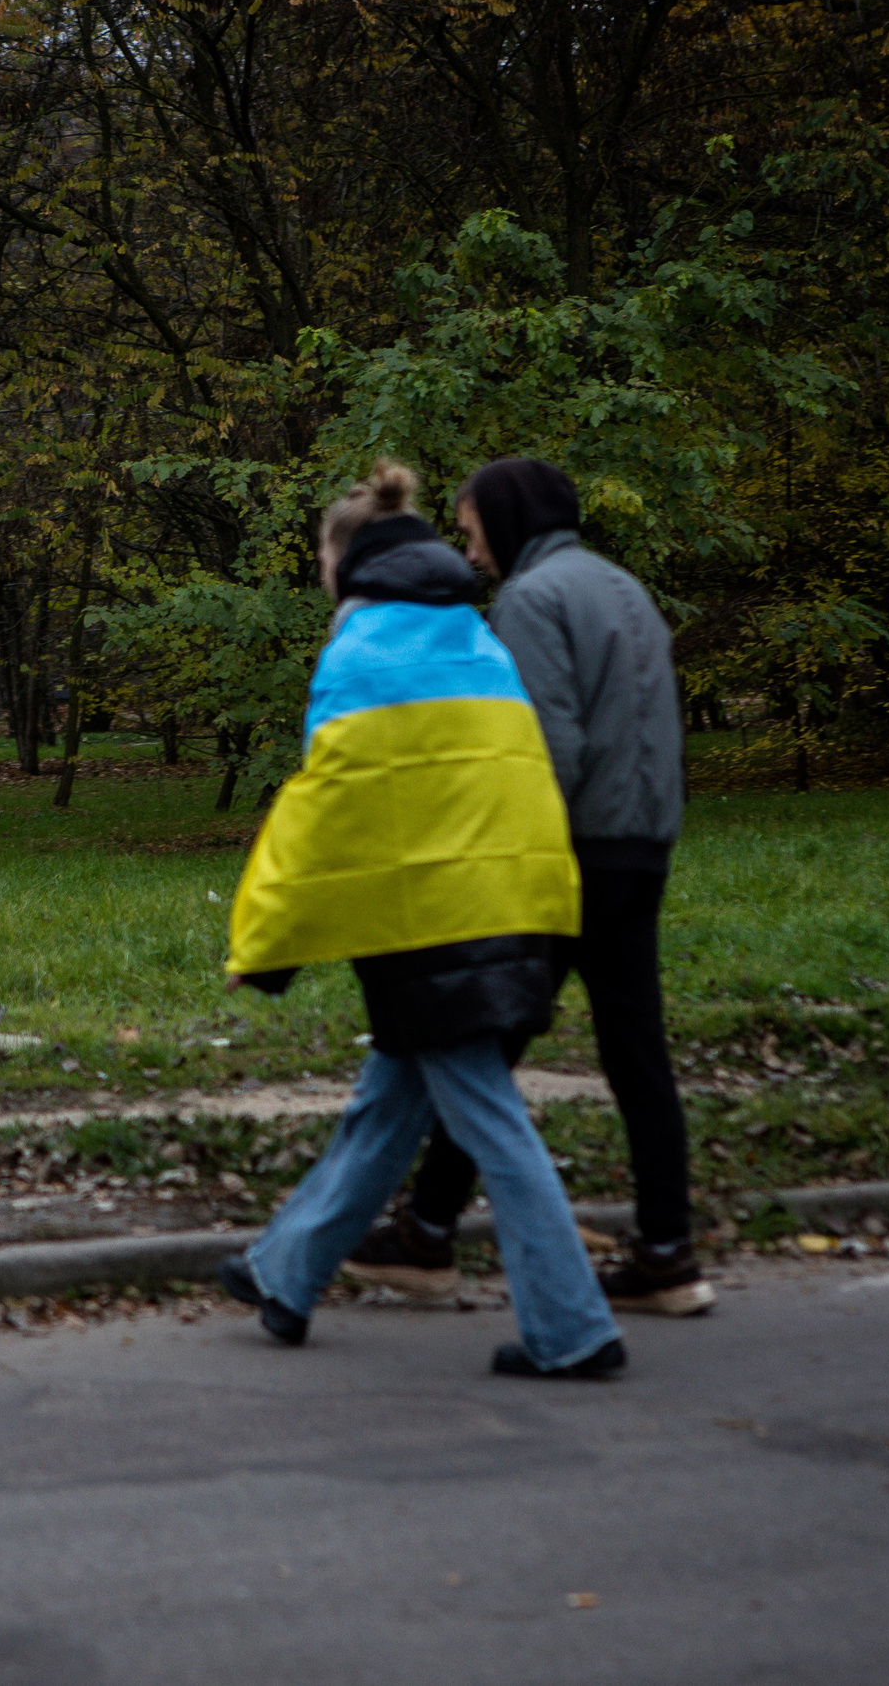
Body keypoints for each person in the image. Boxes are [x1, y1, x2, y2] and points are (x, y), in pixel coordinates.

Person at [219, 458, 625, 1379]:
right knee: (388, 1102)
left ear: (346, 562)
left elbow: (323, 811)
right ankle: (285, 1275)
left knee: (491, 1120)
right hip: (519, 906)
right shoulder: (474, 637)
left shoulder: (362, 651)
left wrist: (266, 948)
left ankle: (573, 1328)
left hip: (435, 923)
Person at [342, 456, 712, 1317]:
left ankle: (426, 1239)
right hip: (643, 846)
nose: (471, 553)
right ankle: (667, 1248)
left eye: (472, 532)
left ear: (507, 520)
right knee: (636, 1053)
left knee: (482, 1038)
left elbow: (544, 750)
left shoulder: (532, 601)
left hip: (571, 854)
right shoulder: (623, 588)